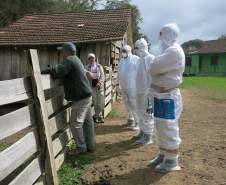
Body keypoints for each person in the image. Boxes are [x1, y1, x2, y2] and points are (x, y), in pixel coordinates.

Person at [42, 42, 95, 155]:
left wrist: (45, 71)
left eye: (63, 51)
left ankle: (81, 148)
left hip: (80, 98)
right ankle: (90, 145)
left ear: (67, 51)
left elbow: (58, 71)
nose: (62, 53)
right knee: (87, 122)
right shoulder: (77, 59)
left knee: (75, 123)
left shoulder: (69, 60)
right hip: (87, 96)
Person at [148, 23, 185, 173]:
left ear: (168, 35)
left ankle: (171, 160)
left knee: (168, 127)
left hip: (168, 96)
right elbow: (154, 68)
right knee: (160, 126)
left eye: (162, 35)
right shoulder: (168, 51)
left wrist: (155, 69)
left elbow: (153, 68)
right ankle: (163, 154)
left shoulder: (174, 51)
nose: (160, 38)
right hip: (161, 95)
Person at [134, 38, 155, 145]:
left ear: (142, 47)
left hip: (147, 91)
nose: (136, 50)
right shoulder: (139, 60)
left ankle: (148, 137)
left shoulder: (150, 58)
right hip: (139, 91)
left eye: (137, 48)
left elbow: (153, 76)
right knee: (140, 112)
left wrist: (151, 91)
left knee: (147, 114)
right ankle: (142, 132)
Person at [118, 45, 139, 129]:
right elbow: (119, 73)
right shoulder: (121, 61)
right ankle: (130, 120)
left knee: (134, 104)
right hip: (124, 86)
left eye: (125, 51)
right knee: (127, 104)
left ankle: (138, 122)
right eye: (122, 51)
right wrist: (117, 84)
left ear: (129, 51)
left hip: (133, 86)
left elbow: (139, 72)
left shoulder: (135, 59)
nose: (123, 52)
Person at [86, 53, 105, 124]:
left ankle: (98, 115)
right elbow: (85, 76)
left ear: (95, 59)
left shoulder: (99, 66)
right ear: (88, 60)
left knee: (100, 103)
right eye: (90, 58)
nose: (91, 59)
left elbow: (102, 76)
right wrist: (88, 76)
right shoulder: (87, 67)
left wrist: (99, 83)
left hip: (99, 87)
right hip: (92, 87)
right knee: (95, 102)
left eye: (92, 58)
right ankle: (98, 116)